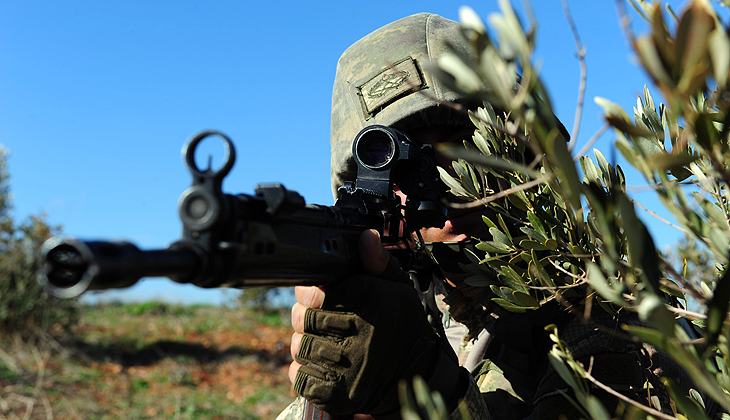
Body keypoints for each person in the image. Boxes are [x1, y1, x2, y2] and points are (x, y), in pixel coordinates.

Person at [277, 12, 703, 420]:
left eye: (467, 146)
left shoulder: (615, 320)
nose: (443, 180)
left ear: (530, 158)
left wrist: (427, 388)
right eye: (401, 164)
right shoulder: (399, 311)